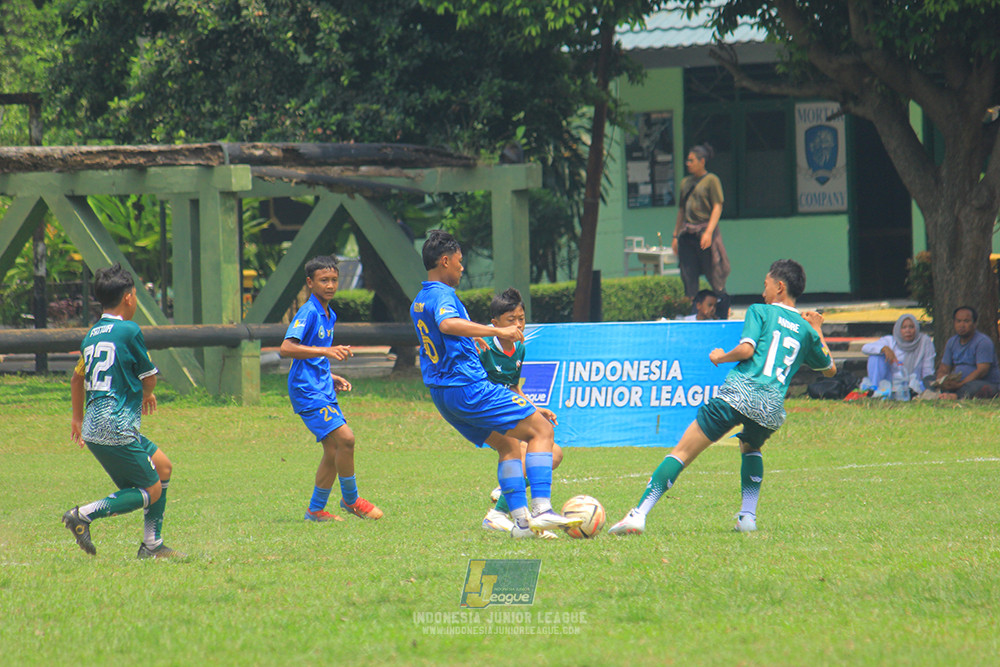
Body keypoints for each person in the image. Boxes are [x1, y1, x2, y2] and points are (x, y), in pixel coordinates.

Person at [609, 259, 836, 536]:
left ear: (779, 286)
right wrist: (817, 328)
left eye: (765, 284)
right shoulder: (805, 329)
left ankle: (638, 514)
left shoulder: (760, 311)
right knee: (751, 447)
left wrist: (721, 356)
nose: (762, 290)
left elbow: (746, 350)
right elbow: (829, 369)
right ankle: (747, 518)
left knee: (682, 452)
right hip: (771, 407)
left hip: (740, 393)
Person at [410, 230, 581, 539]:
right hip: (467, 386)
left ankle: (520, 525)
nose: (463, 268)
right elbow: (447, 324)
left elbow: (442, 332)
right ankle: (542, 510)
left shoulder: (419, 300)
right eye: (460, 262)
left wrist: (473, 333)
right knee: (542, 429)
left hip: (442, 395)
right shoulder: (443, 295)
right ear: (445, 261)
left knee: (507, 445)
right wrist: (495, 332)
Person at [62, 263, 183, 559]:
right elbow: (150, 376)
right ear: (129, 297)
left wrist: (77, 418)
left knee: (163, 467)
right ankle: (83, 515)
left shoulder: (92, 334)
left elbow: (77, 378)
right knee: (150, 490)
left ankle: (152, 545)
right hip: (115, 426)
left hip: (96, 425)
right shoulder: (129, 330)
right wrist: (148, 393)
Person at [280, 255, 383, 522]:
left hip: (321, 387)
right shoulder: (309, 312)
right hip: (307, 391)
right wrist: (326, 351)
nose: (330, 285)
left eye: (334, 280)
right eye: (323, 280)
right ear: (310, 283)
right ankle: (351, 500)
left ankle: (315, 511)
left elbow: (312, 356)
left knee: (333, 449)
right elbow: (287, 348)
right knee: (346, 439)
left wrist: (330, 374)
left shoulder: (329, 313)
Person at [475, 288, 563, 534]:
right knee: (528, 453)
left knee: (554, 454)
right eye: (510, 320)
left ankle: (505, 501)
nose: (518, 325)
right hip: (486, 413)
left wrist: (535, 409)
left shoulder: (520, 348)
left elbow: (513, 387)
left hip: (508, 411)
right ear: (495, 324)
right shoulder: (482, 347)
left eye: (521, 319)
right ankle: (509, 514)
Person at [671, 143, 731, 319]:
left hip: (705, 233)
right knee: (688, 275)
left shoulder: (711, 180)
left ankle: (721, 311)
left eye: (691, 160)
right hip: (688, 234)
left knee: (715, 274)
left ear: (702, 161)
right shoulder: (685, 183)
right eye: (687, 160)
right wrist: (675, 235)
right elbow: (681, 211)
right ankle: (693, 313)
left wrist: (708, 233)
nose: (688, 164)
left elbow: (717, 207)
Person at [927, 306, 1000, 399]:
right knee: (928, 379)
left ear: (974, 323)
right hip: (958, 383)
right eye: (958, 321)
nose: (962, 325)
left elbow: (982, 371)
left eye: (966, 321)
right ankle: (946, 392)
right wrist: (942, 380)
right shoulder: (951, 342)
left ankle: (955, 396)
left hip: (981, 383)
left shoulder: (983, 342)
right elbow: (944, 367)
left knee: (976, 388)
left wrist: (960, 384)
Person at [860, 313, 935, 392]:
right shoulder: (890, 341)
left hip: (913, 384)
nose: (908, 331)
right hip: (889, 383)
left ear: (916, 328)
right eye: (904, 327)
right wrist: (884, 349)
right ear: (898, 329)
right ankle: (875, 389)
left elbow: (928, 369)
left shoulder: (924, 341)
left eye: (911, 327)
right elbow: (865, 348)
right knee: (875, 357)